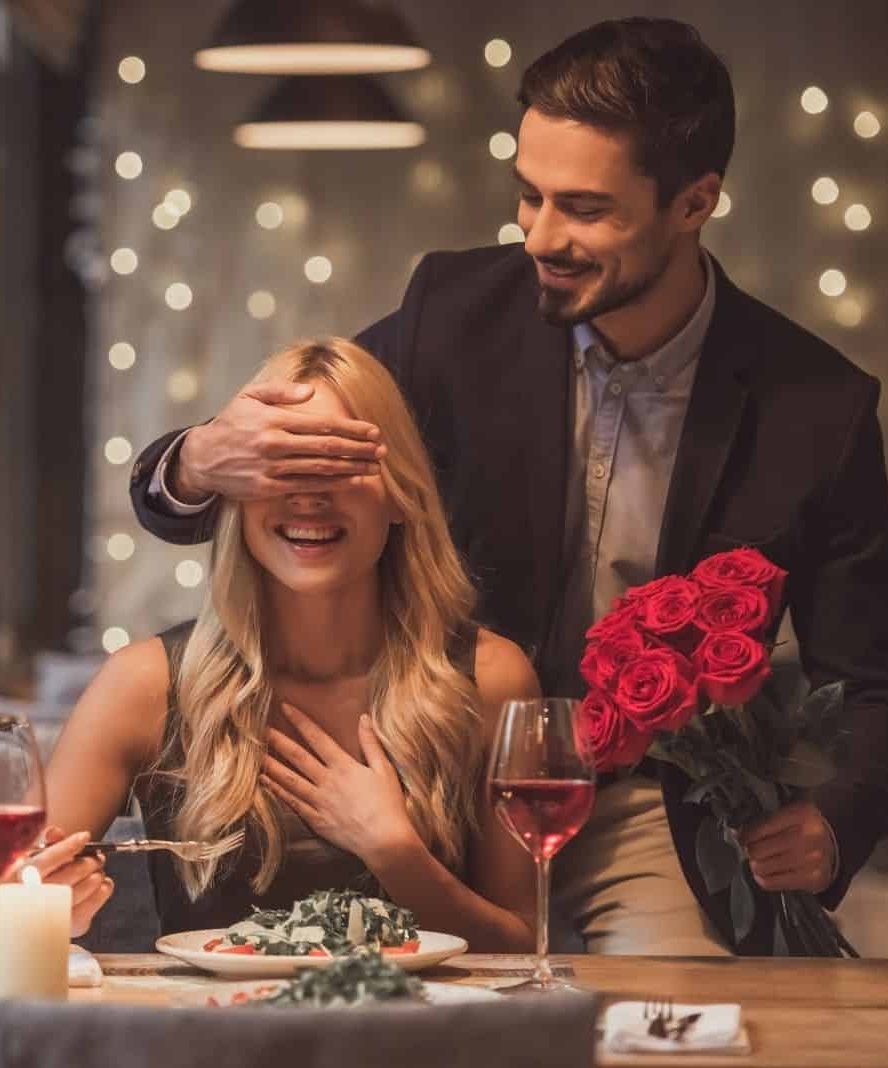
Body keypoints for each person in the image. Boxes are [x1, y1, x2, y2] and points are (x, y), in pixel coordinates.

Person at [127, 17, 888, 955]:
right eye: (528, 197)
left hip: (644, 815)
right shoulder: (451, 316)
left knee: (660, 1028)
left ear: (694, 202)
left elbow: (880, 691)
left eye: (585, 209)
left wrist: (832, 822)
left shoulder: (816, 409)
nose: (540, 237)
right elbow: (289, 488)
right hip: (440, 781)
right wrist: (194, 464)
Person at [36, 337, 538, 951]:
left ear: (403, 495)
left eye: (338, 466)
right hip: (215, 1041)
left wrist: (395, 853)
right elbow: (19, 896)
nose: (308, 497)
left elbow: (522, 950)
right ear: (234, 494)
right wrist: (43, 906)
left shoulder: (492, 679)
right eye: (280, 468)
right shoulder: (143, 684)